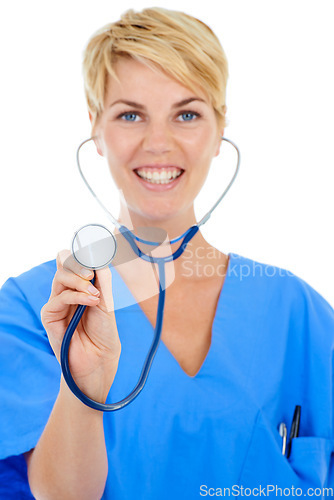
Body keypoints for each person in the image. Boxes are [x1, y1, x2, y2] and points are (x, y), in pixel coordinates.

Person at [0, 7, 333, 500]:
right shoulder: (37, 306)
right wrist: (84, 386)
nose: (158, 143)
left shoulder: (297, 311)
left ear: (220, 130)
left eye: (187, 114)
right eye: (130, 114)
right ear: (95, 128)